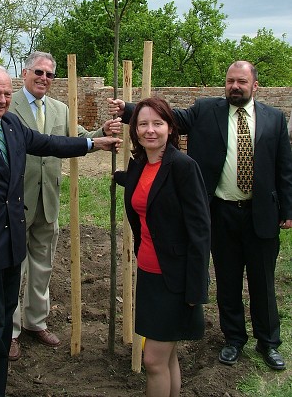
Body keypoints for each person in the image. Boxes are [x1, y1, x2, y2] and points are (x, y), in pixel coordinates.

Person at [0, 64, 121, 397]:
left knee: (3, 325)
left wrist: (95, 143)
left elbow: (50, 143)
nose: (3, 99)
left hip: (11, 246)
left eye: (7, 93)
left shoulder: (11, 126)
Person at [109, 61, 292, 371]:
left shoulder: (275, 119)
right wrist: (128, 109)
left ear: (255, 86)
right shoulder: (207, 110)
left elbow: (284, 166)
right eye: (230, 80)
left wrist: (287, 209)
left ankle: (269, 342)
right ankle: (234, 339)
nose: (235, 86)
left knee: (262, 281)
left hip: (261, 213)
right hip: (219, 212)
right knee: (228, 278)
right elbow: (170, 117)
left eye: (242, 81)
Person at [8, 51, 121, 360]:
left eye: (49, 74)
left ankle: (35, 322)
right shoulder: (10, 106)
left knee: (43, 264)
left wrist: (104, 133)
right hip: (16, 200)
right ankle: (11, 330)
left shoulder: (60, 109)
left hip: (49, 199)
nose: (44, 78)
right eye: (38, 72)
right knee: (14, 268)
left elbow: (79, 137)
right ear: (25, 72)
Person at [114, 97, 211, 397]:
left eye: (158, 124)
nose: (150, 130)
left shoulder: (183, 167)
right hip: (149, 274)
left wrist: (196, 287)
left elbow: (200, 230)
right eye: (143, 124)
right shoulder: (141, 165)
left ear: (170, 128)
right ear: (135, 130)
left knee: (153, 360)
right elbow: (145, 191)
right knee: (167, 356)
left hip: (175, 279)